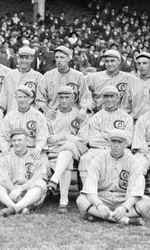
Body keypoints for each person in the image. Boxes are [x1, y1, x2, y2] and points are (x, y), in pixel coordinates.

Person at [76, 129, 150, 226]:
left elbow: (137, 190)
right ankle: (127, 220)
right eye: (113, 141)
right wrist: (99, 205)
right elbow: (90, 188)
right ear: (109, 142)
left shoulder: (133, 162)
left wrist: (124, 207)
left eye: (120, 142)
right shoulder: (98, 160)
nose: (116, 145)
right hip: (103, 198)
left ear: (126, 144)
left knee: (146, 202)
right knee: (81, 199)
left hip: (123, 199)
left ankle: (101, 216)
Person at [45, 86, 89, 214]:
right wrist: (62, 141)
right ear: (57, 98)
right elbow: (47, 137)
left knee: (69, 146)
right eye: (61, 97)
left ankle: (55, 179)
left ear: (73, 98)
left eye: (67, 97)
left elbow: (83, 138)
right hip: (57, 150)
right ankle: (63, 202)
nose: (63, 101)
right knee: (67, 156)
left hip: (78, 149)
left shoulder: (80, 115)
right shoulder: (52, 115)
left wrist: (63, 137)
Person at [79, 85, 134, 184]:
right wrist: (115, 138)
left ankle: (123, 191)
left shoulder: (126, 118)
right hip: (98, 149)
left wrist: (105, 135)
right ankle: (88, 191)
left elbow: (128, 140)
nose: (109, 99)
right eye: (106, 96)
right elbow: (93, 140)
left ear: (118, 98)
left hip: (120, 149)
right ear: (103, 98)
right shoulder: (96, 117)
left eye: (112, 96)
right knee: (85, 159)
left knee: (130, 159)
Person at [0, 128, 48, 217]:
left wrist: (21, 189)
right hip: (8, 195)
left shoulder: (35, 156)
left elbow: (37, 178)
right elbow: (4, 178)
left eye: (20, 140)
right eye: (14, 140)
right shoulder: (5, 156)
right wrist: (13, 191)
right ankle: (19, 207)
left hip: (28, 194)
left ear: (27, 141)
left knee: (41, 183)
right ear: (11, 142)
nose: (16, 143)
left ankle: (13, 208)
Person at [37, 45, 92, 123]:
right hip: (53, 114)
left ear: (69, 58)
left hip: (73, 115)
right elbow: (39, 98)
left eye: (62, 57)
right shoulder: (47, 75)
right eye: (57, 57)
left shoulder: (78, 76)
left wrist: (83, 110)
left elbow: (85, 97)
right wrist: (46, 110)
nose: (59, 60)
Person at [0, 85, 49, 154]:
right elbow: (3, 137)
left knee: (44, 163)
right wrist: (4, 149)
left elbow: (42, 136)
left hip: (33, 149)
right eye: (19, 97)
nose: (22, 100)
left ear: (30, 99)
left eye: (25, 97)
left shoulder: (38, 115)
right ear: (16, 98)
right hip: (14, 150)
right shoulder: (9, 116)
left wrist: (38, 149)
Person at [0, 46, 43, 114]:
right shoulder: (9, 75)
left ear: (32, 59)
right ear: (18, 58)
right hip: (11, 116)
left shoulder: (38, 77)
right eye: (21, 57)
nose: (24, 61)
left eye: (27, 58)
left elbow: (39, 102)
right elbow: (3, 99)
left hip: (29, 117)